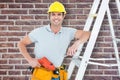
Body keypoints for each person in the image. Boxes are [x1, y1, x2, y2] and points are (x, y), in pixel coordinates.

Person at [18, 1, 90, 80]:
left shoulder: (68, 32)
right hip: (40, 75)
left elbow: (86, 34)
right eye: (53, 14)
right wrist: (30, 60)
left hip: (56, 75)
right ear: (49, 15)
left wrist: (76, 43)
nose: (56, 17)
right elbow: (21, 43)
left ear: (63, 16)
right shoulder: (39, 32)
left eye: (59, 14)